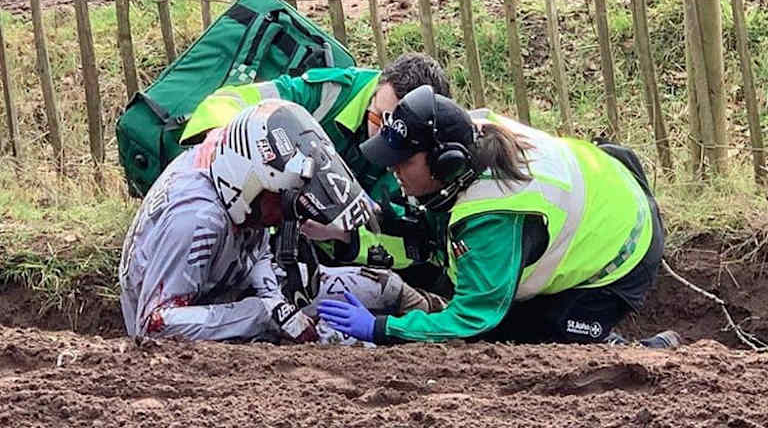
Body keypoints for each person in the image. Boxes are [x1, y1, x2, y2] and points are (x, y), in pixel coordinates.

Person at [318, 85, 680, 348]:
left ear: (446, 161)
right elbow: (423, 237)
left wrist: (383, 329)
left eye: (404, 161)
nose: (393, 169)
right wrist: (348, 235)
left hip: (623, 248)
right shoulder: (474, 136)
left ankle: (634, 351)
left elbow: (472, 318)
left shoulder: (494, 212)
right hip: (608, 184)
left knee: (527, 340)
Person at [119, 100, 444, 342]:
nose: (289, 211)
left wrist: (274, 301)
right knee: (336, 338)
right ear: (252, 184)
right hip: (201, 317)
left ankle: (442, 315)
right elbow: (154, 325)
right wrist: (262, 315)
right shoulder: (195, 220)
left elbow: (256, 254)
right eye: (282, 199)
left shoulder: (233, 173)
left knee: (383, 285)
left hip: (232, 283)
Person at [180, 52, 453, 288]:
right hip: (256, 224)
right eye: (378, 117)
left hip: (346, 259)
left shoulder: (438, 151)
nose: (380, 136)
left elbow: (423, 243)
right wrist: (224, 138)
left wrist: (341, 233)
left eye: (398, 140)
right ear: (378, 85)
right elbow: (228, 99)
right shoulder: (330, 92)